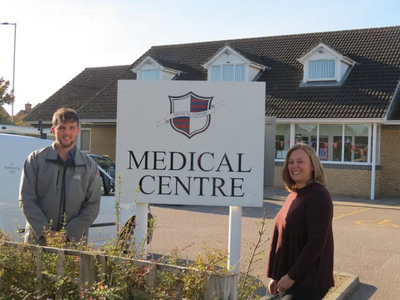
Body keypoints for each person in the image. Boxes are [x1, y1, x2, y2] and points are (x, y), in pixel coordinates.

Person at [19, 108, 101, 245]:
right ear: (53, 130)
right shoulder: (35, 160)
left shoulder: (89, 166)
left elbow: (92, 205)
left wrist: (68, 235)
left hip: (72, 244)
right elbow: (26, 200)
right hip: (38, 243)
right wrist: (46, 232)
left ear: (78, 130)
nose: (67, 133)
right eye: (62, 127)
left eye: (72, 128)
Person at [267, 143, 334, 300]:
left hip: (308, 281)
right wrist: (276, 276)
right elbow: (284, 238)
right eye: (291, 162)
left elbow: (316, 242)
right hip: (289, 278)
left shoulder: (318, 195)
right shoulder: (294, 194)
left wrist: (291, 276)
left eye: (300, 161)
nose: (294, 166)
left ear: (312, 166)